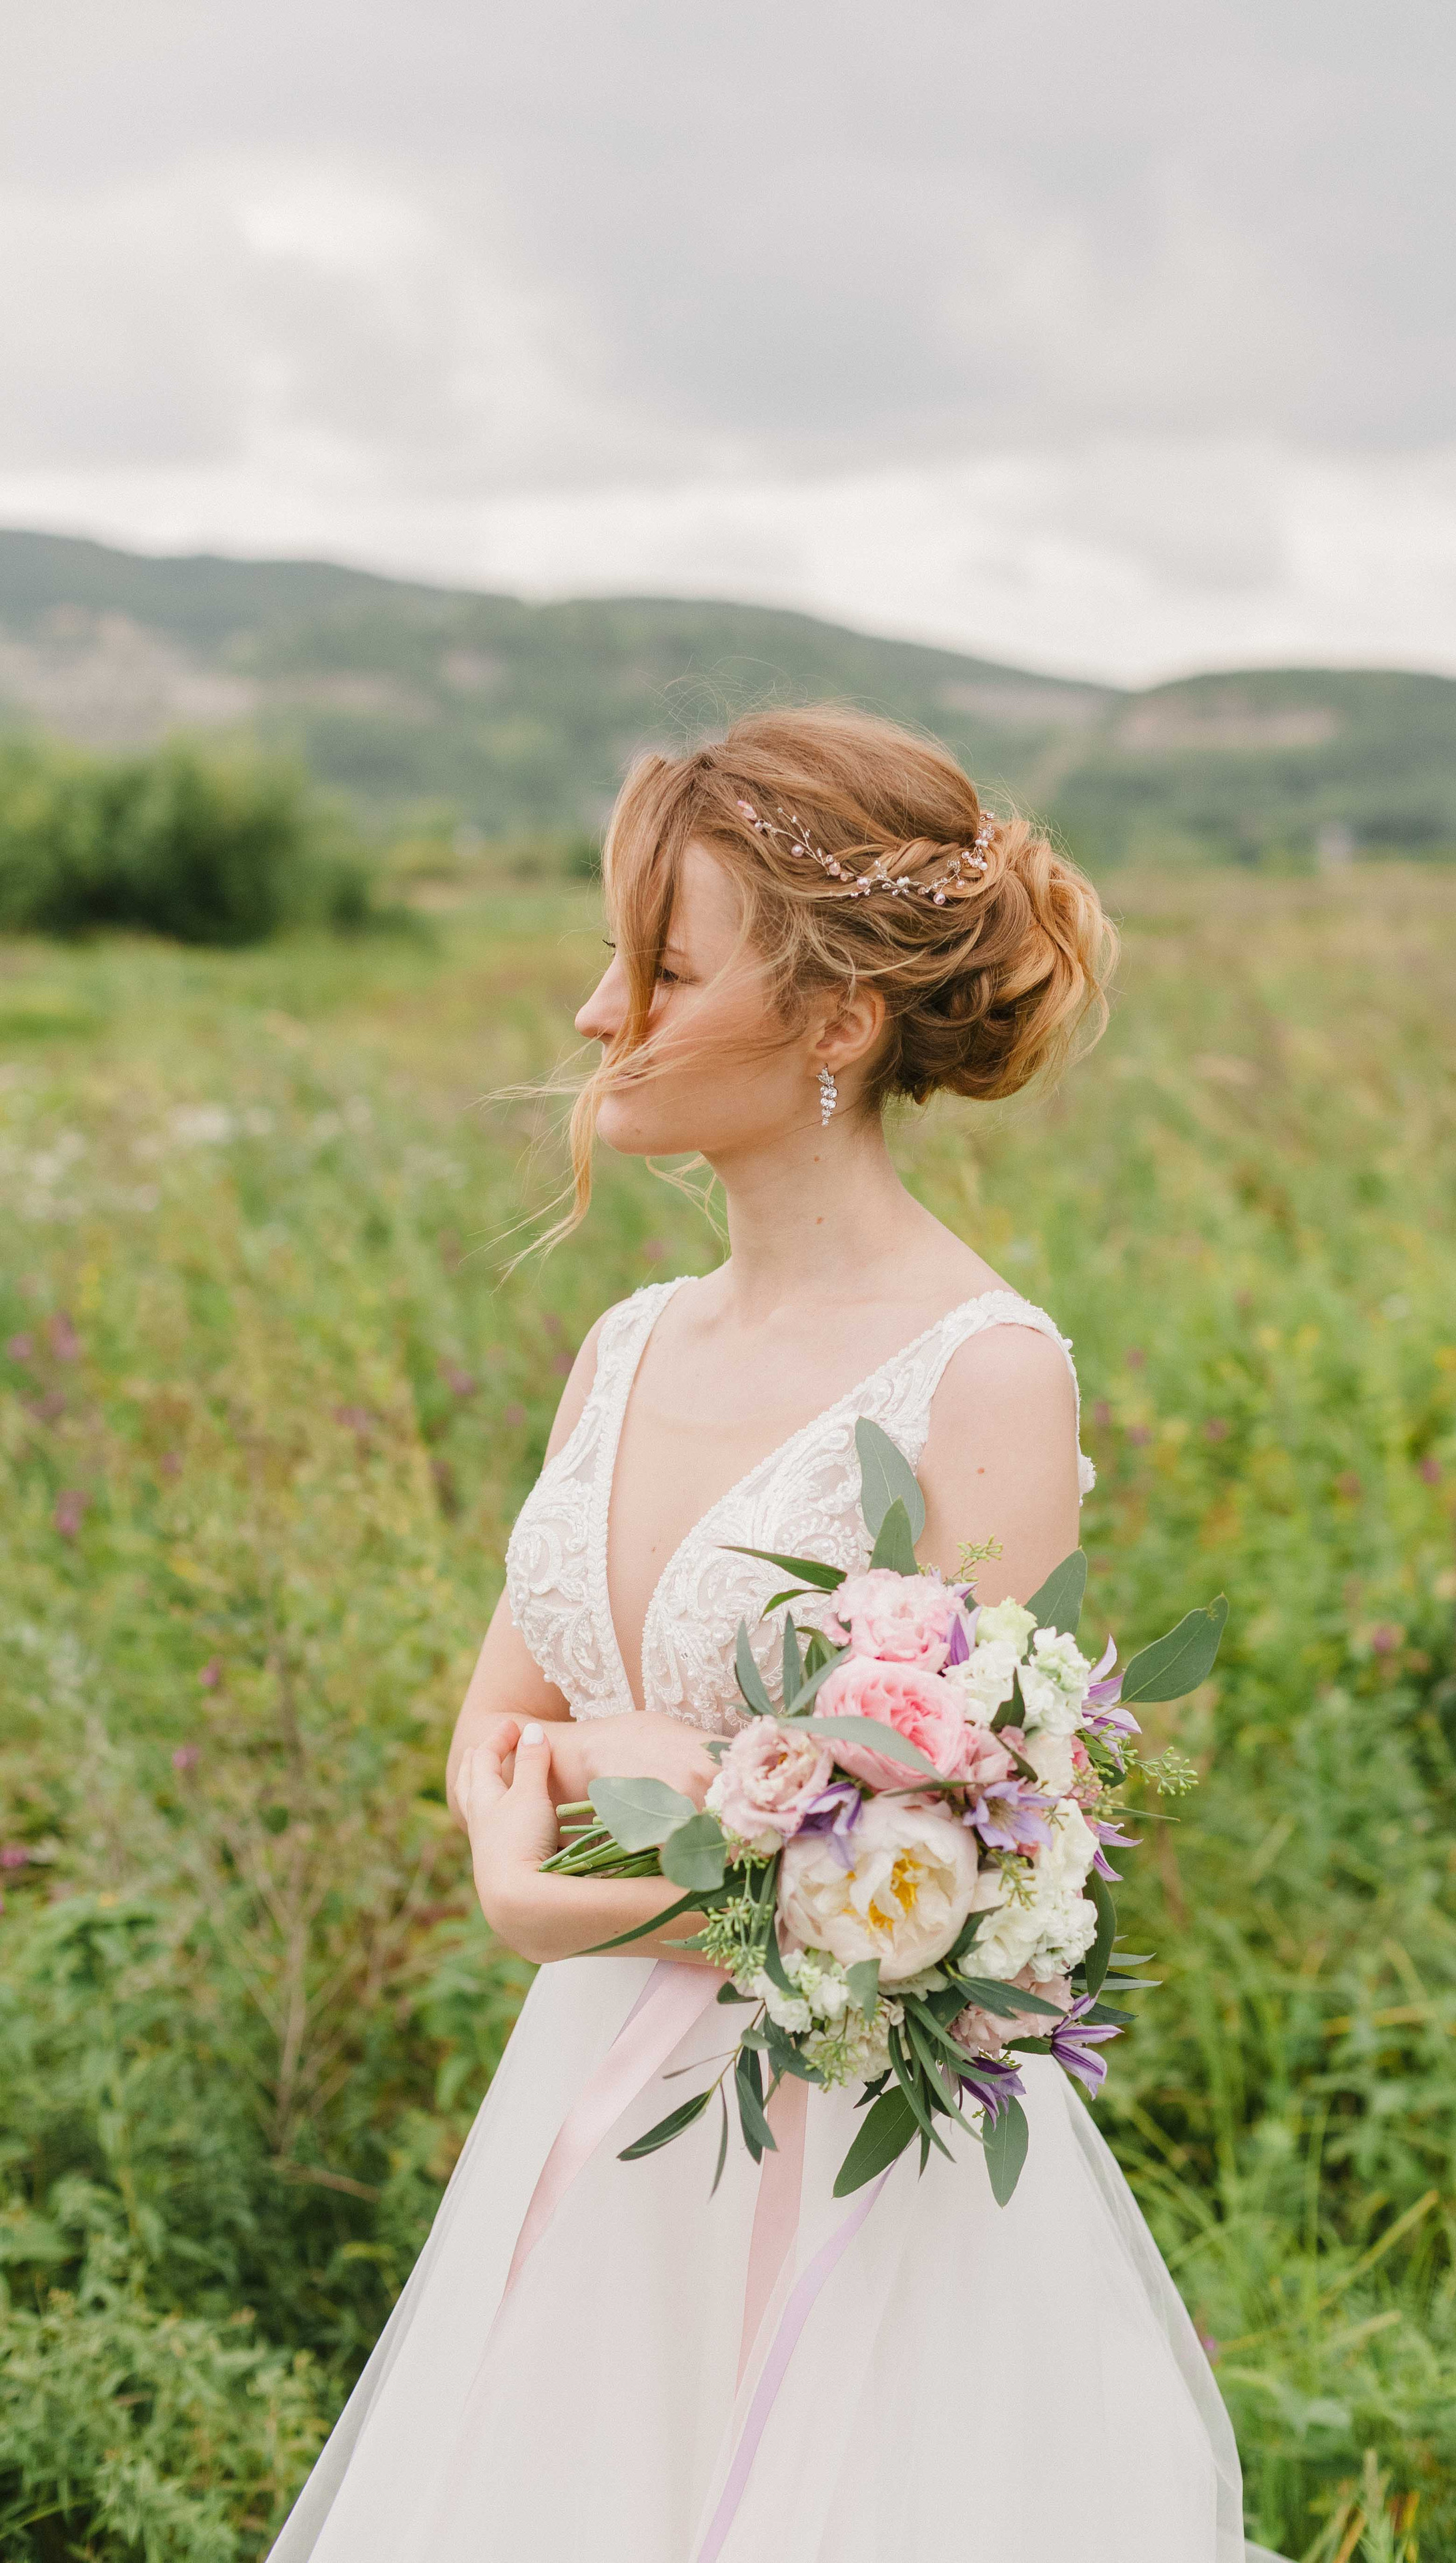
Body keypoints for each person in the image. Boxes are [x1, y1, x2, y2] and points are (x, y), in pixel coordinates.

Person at [270, 707, 1246, 2561]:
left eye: (660, 967)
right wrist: (636, 1792)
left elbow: (941, 1887)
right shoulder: (624, 1342)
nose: (595, 1014)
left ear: (836, 1022)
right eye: (612, 958)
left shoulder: (983, 1376)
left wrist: (574, 1867)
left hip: (848, 2170)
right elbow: (495, 1740)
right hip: (594, 2124)